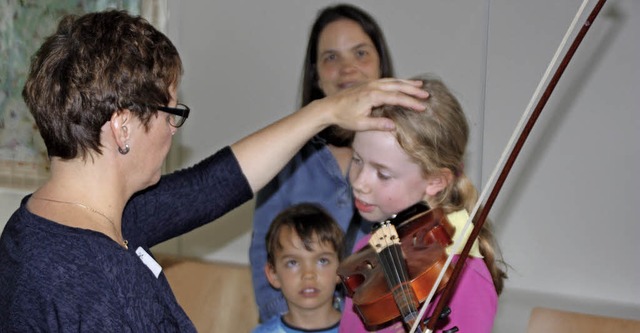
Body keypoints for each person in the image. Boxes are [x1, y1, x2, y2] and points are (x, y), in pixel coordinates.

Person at [0, 10, 428, 332]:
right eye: (171, 110)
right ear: (123, 125)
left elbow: (211, 186)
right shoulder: (101, 284)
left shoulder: (46, 225)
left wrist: (325, 111)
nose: (173, 129)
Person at [250, 3, 395, 322]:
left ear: (380, 64)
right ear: (316, 74)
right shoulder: (286, 156)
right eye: (332, 57)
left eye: (360, 53)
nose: (347, 68)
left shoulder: (408, 151)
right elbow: (265, 251)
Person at [339, 74, 507, 332]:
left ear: (436, 181)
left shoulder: (462, 276)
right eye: (358, 160)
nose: (359, 182)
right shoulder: (370, 250)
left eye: (383, 174)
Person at [252, 203, 345, 333]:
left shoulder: (359, 330)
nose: (308, 274)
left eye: (322, 261)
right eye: (293, 263)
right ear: (273, 274)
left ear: (341, 269)